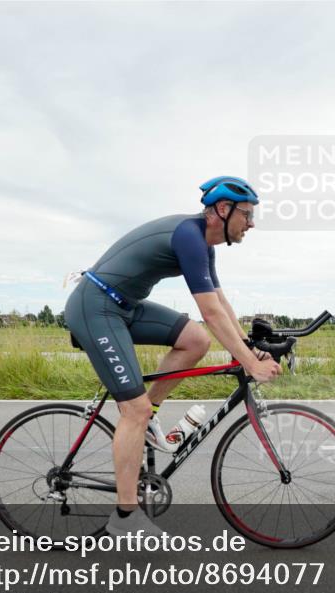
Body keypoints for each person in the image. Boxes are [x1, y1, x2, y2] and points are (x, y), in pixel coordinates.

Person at [64, 176, 282, 537]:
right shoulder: (188, 237)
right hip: (95, 307)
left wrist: (248, 346)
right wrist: (250, 363)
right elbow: (210, 312)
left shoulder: (204, 246)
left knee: (195, 340)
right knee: (133, 410)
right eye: (248, 213)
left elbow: (221, 305)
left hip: (124, 306)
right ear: (223, 211)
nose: (252, 222)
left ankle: (147, 418)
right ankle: (125, 516)